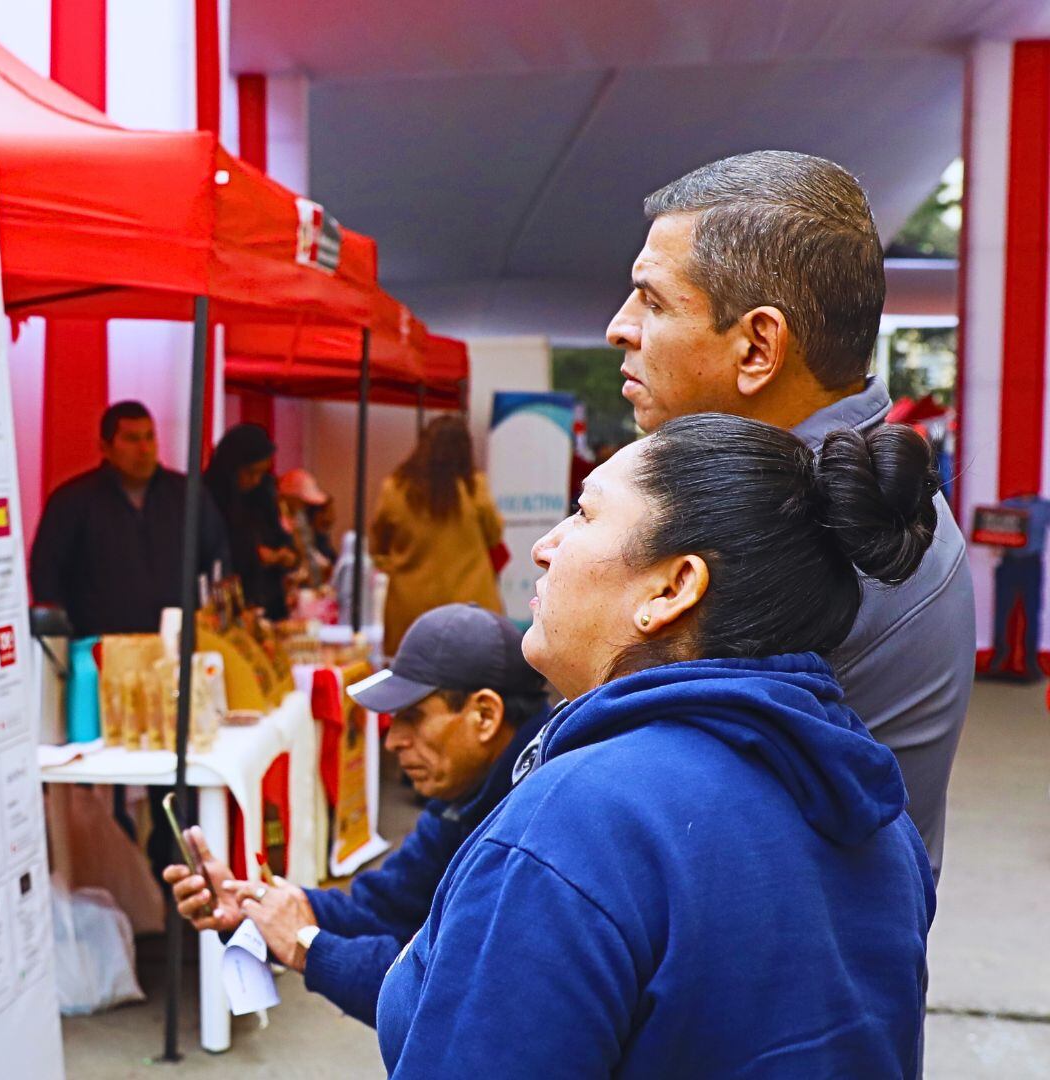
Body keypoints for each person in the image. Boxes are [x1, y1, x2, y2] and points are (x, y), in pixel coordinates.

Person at [377, 414, 938, 1077]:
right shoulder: (878, 813)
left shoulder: (577, 824)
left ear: (672, 589)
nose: (546, 546)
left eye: (584, 515)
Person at [608, 150, 973, 874]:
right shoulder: (861, 493)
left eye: (652, 301)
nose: (620, 327)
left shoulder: (799, 533)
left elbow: (639, 790)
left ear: (758, 347)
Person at [161, 604, 550, 1027]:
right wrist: (260, 905)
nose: (393, 741)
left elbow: (444, 988)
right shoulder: (468, 796)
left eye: (413, 717)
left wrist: (304, 944)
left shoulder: (535, 824)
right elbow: (383, 907)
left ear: (485, 715)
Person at [28, 401, 229, 637]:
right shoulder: (73, 501)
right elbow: (46, 572)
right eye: (132, 439)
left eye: (150, 437)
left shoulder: (188, 495)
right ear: (105, 447)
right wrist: (64, 638)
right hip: (100, 648)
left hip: (176, 644)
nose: (144, 449)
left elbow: (218, 561)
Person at [368, 415, 507, 653]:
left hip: (410, 613)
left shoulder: (395, 489)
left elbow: (377, 546)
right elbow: (494, 534)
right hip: (472, 610)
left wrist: (394, 564)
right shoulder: (475, 487)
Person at [203, 424, 296, 619]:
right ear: (232, 468)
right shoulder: (211, 498)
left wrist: (286, 555)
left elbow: (282, 535)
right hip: (230, 608)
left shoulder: (263, 495)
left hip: (269, 604)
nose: (255, 480)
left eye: (261, 473)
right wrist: (253, 555)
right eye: (250, 472)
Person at [277, 468, 335, 588]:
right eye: (302, 501)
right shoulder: (277, 522)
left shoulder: (299, 520)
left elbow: (309, 552)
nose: (305, 505)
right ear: (290, 497)